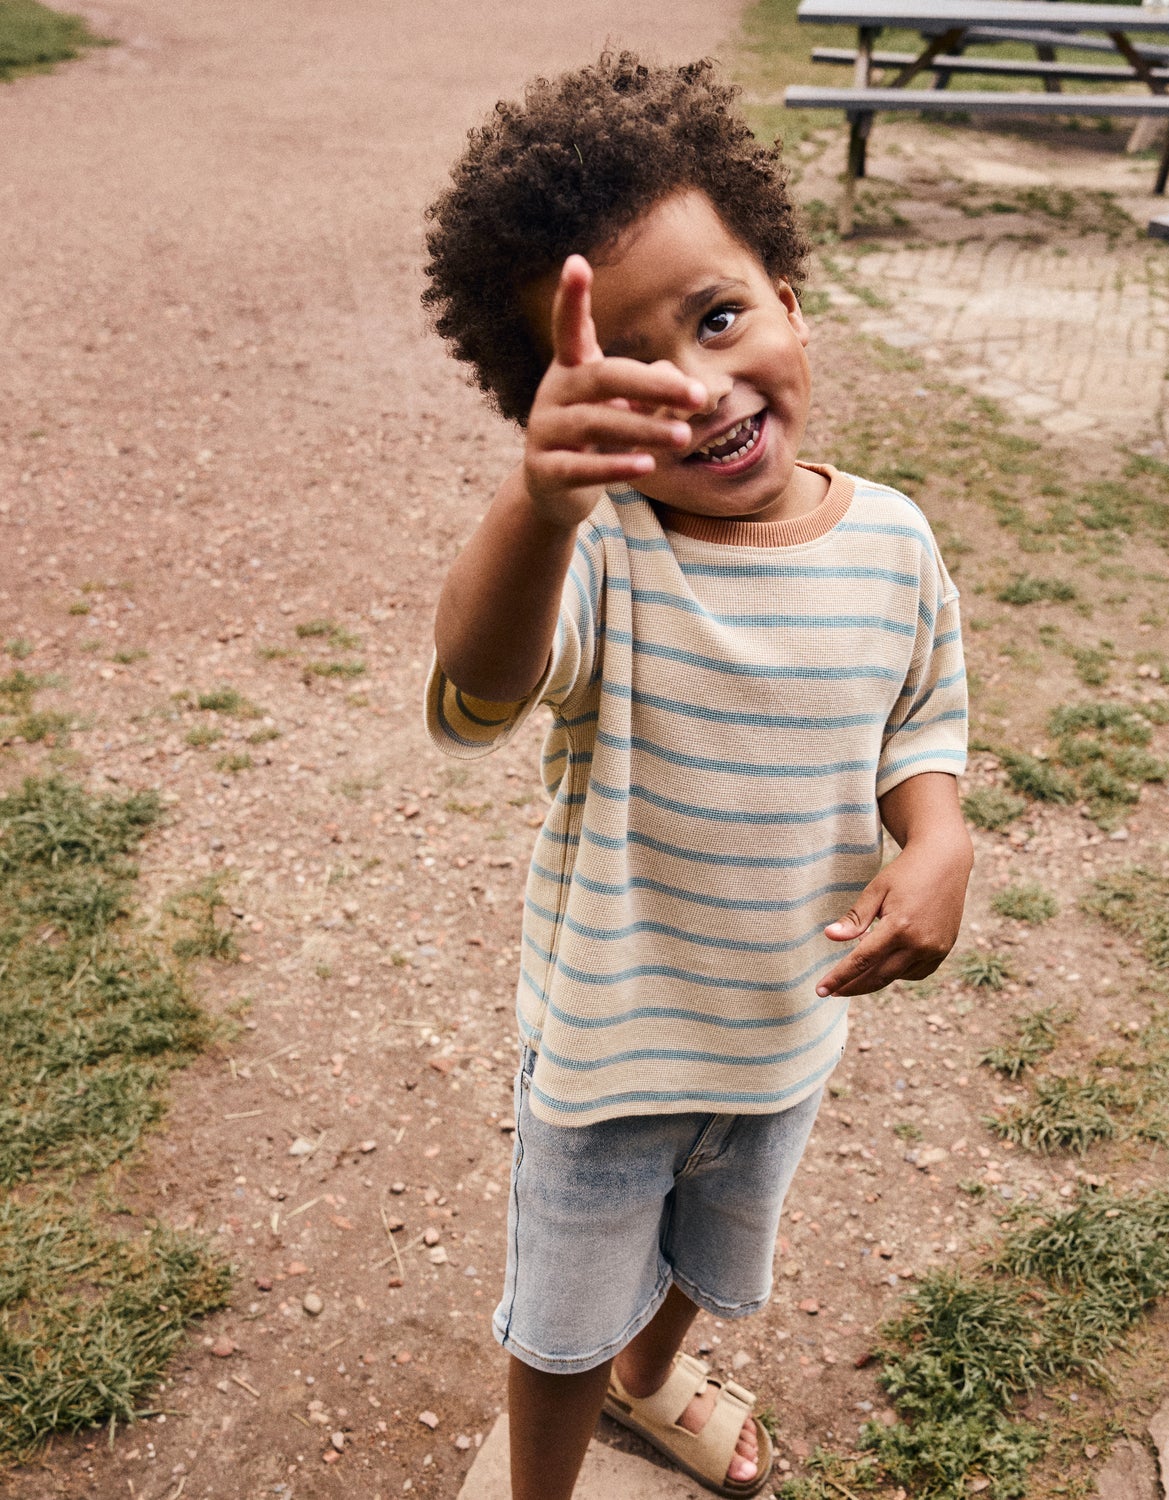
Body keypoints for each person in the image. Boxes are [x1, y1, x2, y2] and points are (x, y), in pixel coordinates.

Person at [422, 52, 972, 1500]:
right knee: (558, 1318)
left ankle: (656, 1381)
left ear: (789, 296)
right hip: (610, 1055)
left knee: (714, 1257)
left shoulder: (896, 543)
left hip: (781, 1036)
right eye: (628, 370)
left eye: (722, 316)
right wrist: (536, 511)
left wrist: (940, 833)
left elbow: (921, 718)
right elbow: (484, 688)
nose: (703, 389)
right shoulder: (607, 553)